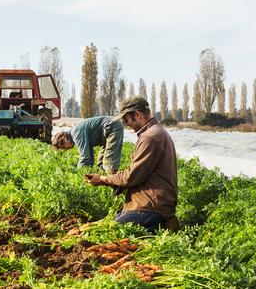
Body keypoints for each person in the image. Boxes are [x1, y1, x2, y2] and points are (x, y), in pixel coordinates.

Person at [84, 96, 179, 232]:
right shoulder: (156, 132)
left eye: (126, 119)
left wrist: (103, 179)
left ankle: (161, 223)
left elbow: (132, 176)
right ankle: (162, 223)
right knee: (110, 223)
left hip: (150, 205)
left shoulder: (149, 137)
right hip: (153, 203)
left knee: (111, 231)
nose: (126, 124)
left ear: (137, 115)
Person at [52, 115, 125, 174]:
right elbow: (89, 158)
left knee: (109, 163)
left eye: (63, 147)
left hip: (112, 127)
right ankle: (107, 181)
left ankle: (116, 184)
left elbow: (85, 157)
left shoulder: (76, 134)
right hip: (107, 132)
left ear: (64, 138)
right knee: (101, 161)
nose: (66, 149)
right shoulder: (76, 134)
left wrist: (77, 174)